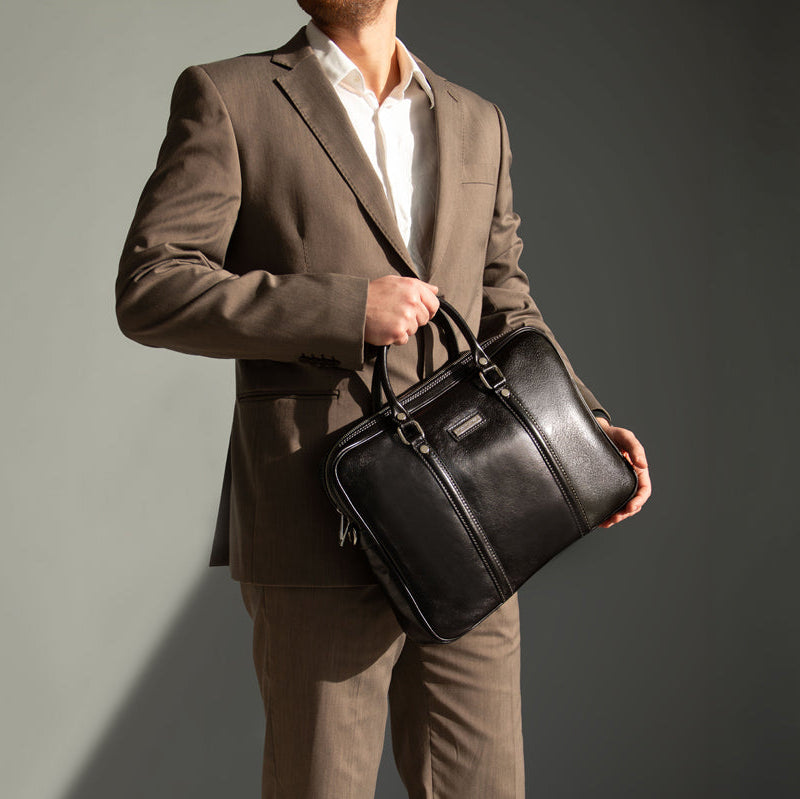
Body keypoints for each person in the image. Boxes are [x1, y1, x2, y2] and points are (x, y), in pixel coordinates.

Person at [115, 0, 651, 795]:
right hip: (316, 520)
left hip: (477, 522)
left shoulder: (478, 121)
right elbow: (151, 286)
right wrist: (342, 309)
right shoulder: (229, 99)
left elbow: (505, 304)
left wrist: (583, 425)